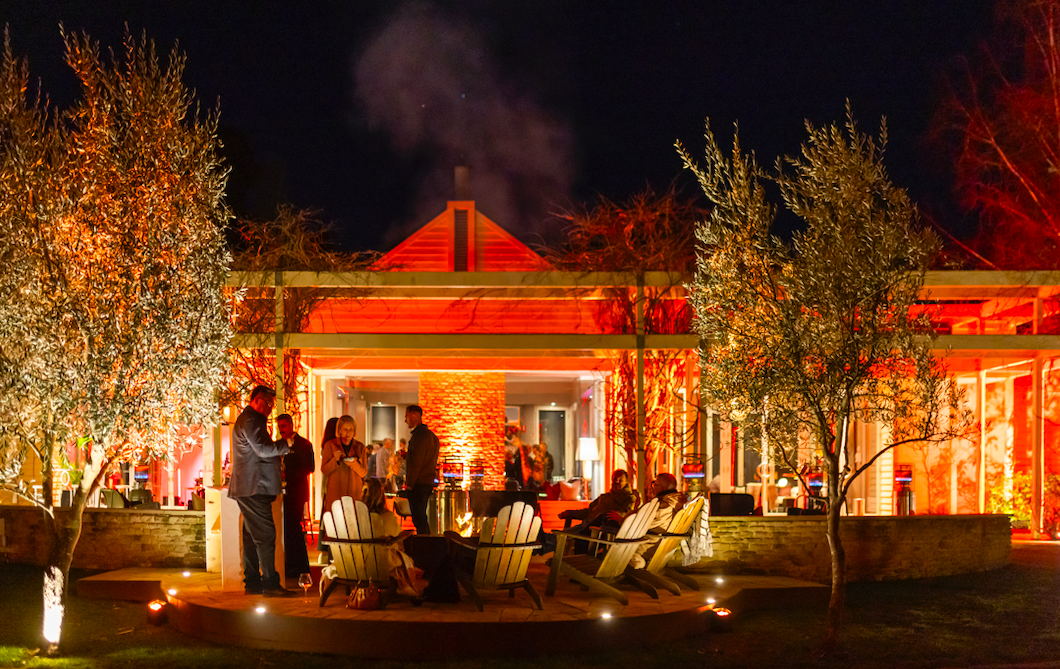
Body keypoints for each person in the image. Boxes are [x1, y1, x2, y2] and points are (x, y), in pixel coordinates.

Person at [228, 385, 293, 597]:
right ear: (255, 399)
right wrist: (286, 444)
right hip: (254, 487)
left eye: (272, 404)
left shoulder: (251, 420)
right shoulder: (251, 420)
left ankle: (253, 583)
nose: (269, 407)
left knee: (251, 537)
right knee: (265, 536)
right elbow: (263, 449)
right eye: (267, 402)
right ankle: (270, 584)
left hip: (250, 486)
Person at [363, 479, 421, 599]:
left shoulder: (354, 517)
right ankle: (404, 586)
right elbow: (396, 534)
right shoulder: (387, 517)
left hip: (355, 561)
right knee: (400, 553)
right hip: (381, 563)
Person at [277, 413, 314, 579]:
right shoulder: (278, 445)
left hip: (297, 491)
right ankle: (291, 565)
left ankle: (299, 566)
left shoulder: (304, 444)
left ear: (291, 425)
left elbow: (309, 467)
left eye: (283, 426)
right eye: (279, 427)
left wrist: (288, 475)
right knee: (287, 528)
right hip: (282, 491)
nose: (281, 430)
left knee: (294, 527)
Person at [320, 415, 368, 540]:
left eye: (351, 429)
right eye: (345, 429)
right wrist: (334, 460)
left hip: (354, 491)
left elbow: (363, 472)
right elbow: (324, 470)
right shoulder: (330, 446)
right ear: (339, 430)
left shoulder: (360, 447)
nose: (348, 433)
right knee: (335, 526)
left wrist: (354, 464)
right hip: (336, 491)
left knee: (353, 526)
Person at [403, 405, 439, 535]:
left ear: (414, 416)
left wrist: (409, 485)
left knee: (419, 519)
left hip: (418, 484)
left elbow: (416, 463)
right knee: (423, 518)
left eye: (406, 416)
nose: (405, 420)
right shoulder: (432, 437)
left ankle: (424, 547)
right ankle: (428, 545)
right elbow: (426, 460)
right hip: (428, 483)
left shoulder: (419, 437)